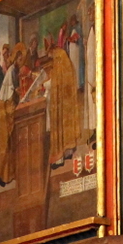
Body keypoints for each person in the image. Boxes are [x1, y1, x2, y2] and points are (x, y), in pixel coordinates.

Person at [0, 43, 26, 186]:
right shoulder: (12, 71)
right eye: (20, 59)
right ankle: (2, 176)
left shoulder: (14, 70)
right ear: (16, 58)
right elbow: (11, 94)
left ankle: (9, 174)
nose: (21, 62)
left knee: (10, 144)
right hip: (5, 113)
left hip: (7, 109)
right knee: (5, 145)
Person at [46, 40, 81, 169]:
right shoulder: (63, 56)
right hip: (68, 99)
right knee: (67, 124)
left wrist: (44, 85)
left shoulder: (58, 59)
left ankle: (59, 159)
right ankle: (69, 152)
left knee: (59, 126)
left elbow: (55, 82)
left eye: (48, 54)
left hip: (61, 100)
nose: (49, 57)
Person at [83, 5, 96, 145]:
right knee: (91, 104)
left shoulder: (98, 28)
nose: (89, 15)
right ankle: (95, 130)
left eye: (90, 12)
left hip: (96, 74)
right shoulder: (92, 28)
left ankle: (100, 131)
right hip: (90, 73)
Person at [66, 13, 84, 89]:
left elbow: (79, 38)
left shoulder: (78, 27)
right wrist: (70, 39)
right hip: (72, 50)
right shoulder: (72, 28)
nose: (72, 23)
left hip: (76, 50)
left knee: (77, 66)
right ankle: (75, 84)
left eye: (72, 21)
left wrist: (75, 40)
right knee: (73, 66)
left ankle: (79, 84)